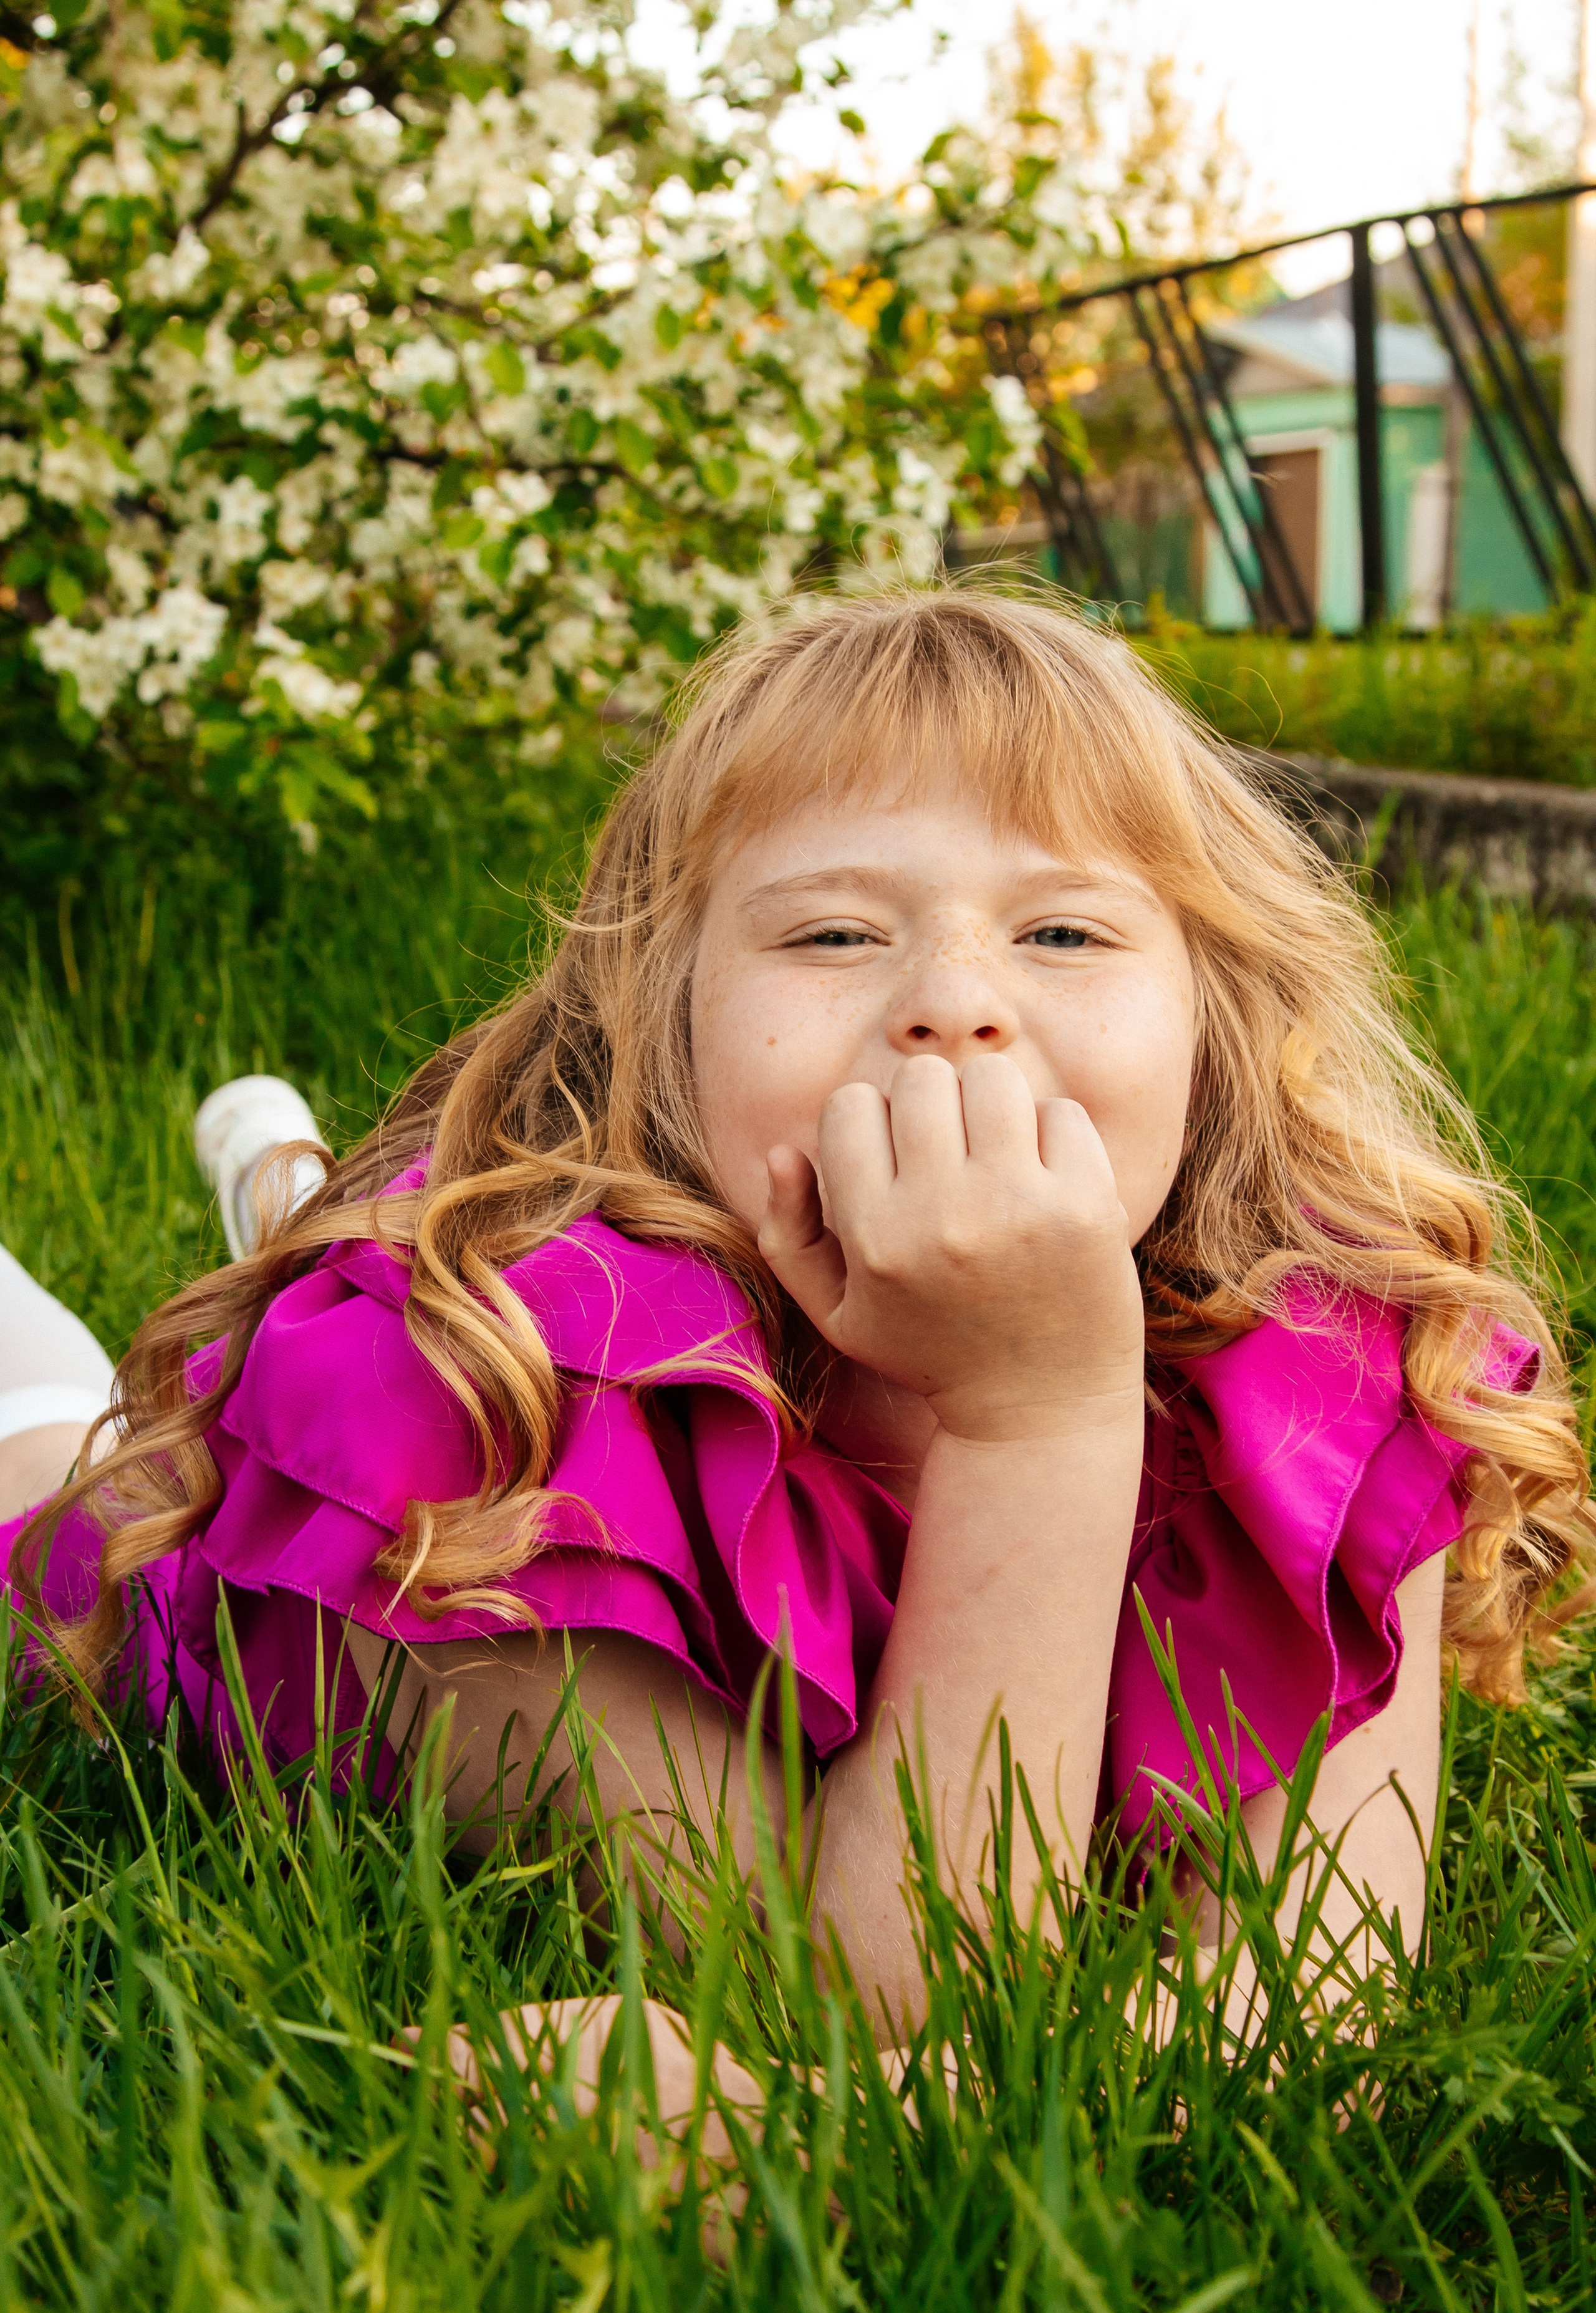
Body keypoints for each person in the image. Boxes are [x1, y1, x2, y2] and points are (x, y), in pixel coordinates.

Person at [4, 590, 1590, 2079]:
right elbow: (848, 1993)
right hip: (206, 1569)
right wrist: (1036, 1420)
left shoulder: (1332, 1387)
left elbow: (1300, 2013)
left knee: (312, 1220)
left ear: (1213, 1027)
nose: (952, 1003)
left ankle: (277, 1176)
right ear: (656, 1030)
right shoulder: (479, 1407)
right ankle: (247, 1230)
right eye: (832, 935)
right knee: (57, 1454)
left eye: (1064, 934)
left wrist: (792, 2134)